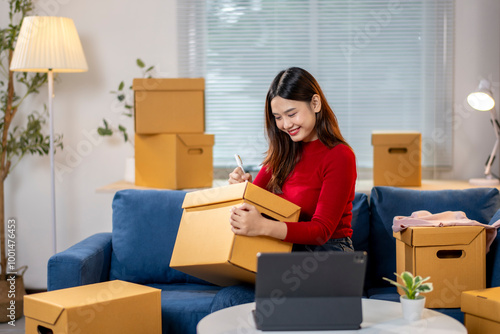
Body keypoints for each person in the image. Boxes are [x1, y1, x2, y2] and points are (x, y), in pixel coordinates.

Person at [210, 67, 356, 312]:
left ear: (315, 103)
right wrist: (241, 189)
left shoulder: (339, 156)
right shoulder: (282, 153)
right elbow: (253, 205)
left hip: (327, 255)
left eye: (291, 113)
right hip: (285, 252)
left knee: (233, 301)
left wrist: (262, 226)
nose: (286, 124)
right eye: (278, 117)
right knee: (228, 297)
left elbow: (321, 231)